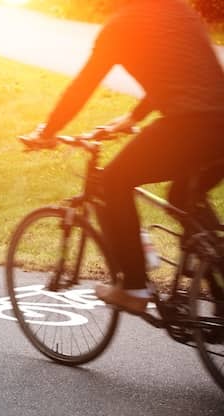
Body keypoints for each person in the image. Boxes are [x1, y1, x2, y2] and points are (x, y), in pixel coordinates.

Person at [24, 0, 224, 314]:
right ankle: (220, 293)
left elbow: (82, 87)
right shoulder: (176, 9)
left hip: (190, 125)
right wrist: (132, 117)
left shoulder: (120, 28)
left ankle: (134, 286)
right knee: (184, 196)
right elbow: (184, 74)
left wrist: (47, 131)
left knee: (113, 181)